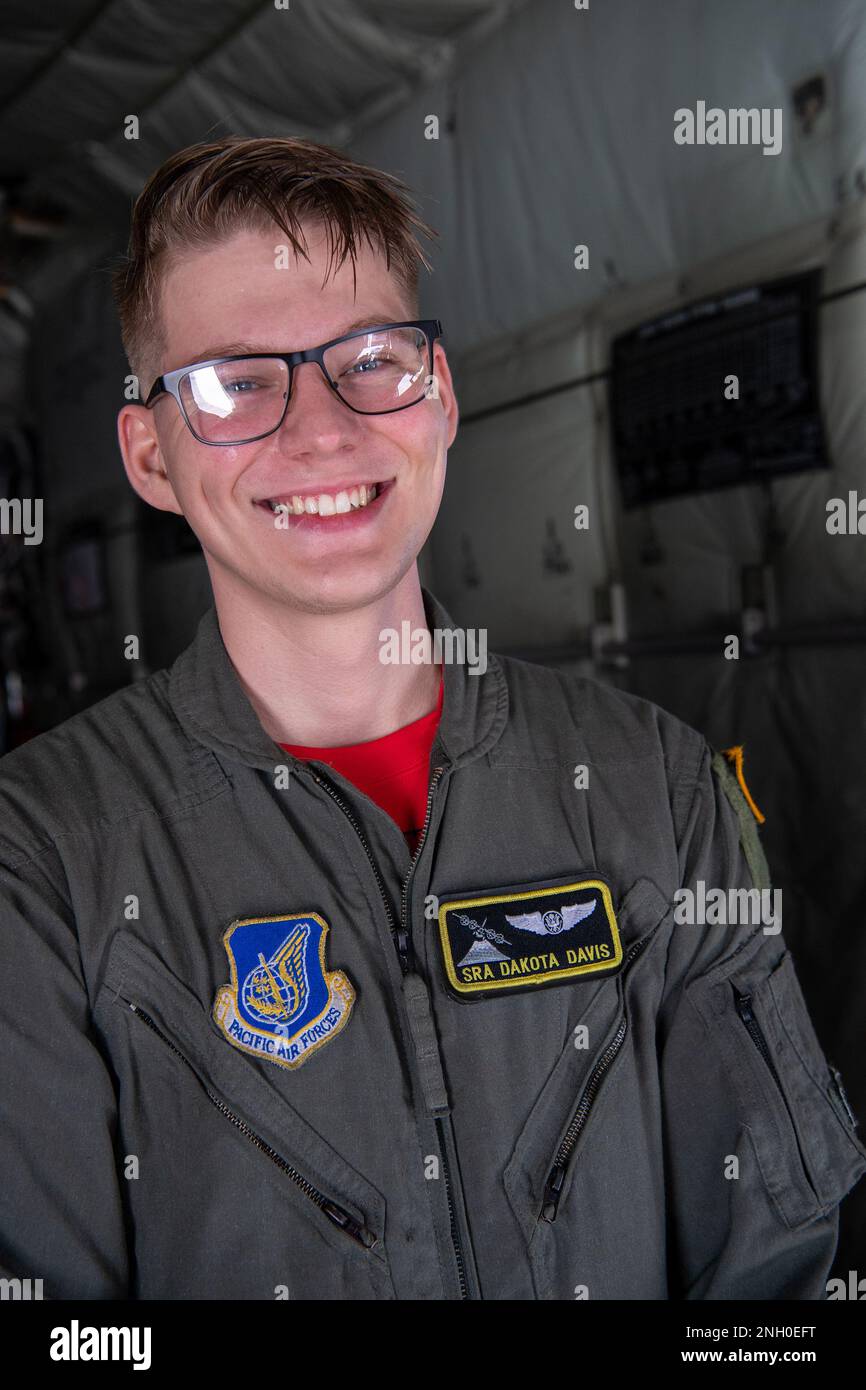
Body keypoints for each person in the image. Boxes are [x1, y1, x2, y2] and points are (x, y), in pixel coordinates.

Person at [0, 135, 863, 1301]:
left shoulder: (655, 785)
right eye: (234, 382)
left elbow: (771, 1284)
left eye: (370, 357)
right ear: (151, 455)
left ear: (438, 396)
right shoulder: (45, 859)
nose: (320, 430)